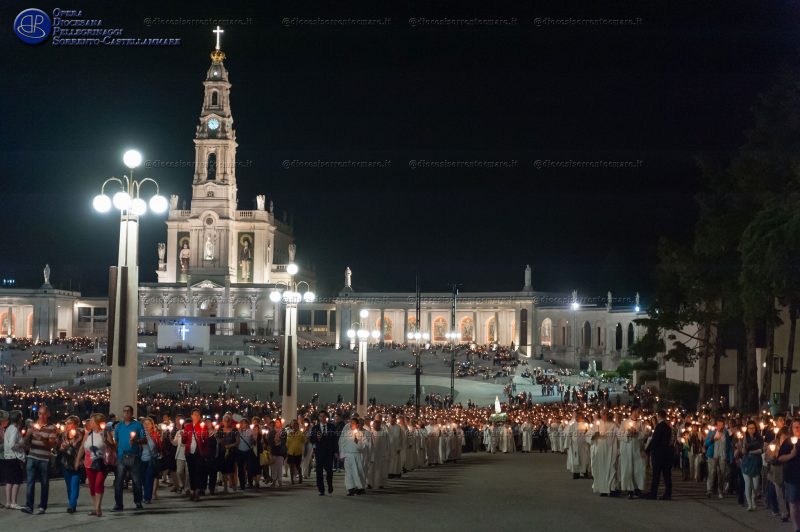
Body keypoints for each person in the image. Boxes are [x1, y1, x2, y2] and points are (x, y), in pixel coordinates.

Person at [22, 404, 57, 514]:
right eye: (40, 413)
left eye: (44, 414)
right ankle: (29, 506)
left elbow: (51, 445)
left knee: (44, 483)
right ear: (38, 414)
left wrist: (41, 438)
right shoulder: (33, 426)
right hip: (32, 456)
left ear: (48, 414)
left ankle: (42, 507)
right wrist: (28, 434)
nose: (42, 416)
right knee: (30, 482)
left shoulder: (52, 428)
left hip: (44, 459)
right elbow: (25, 442)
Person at [112, 405, 145, 512]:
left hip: (134, 456)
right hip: (121, 457)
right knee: (119, 481)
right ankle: (118, 504)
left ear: (132, 413)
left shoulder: (138, 425)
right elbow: (116, 441)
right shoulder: (119, 426)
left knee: (136, 481)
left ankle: (138, 502)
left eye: (128, 411)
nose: (126, 413)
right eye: (124, 411)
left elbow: (144, 439)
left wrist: (136, 441)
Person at [81, 413, 113, 517]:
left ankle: (98, 507)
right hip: (89, 463)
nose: (90, 423)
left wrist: (106, 441)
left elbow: (113, 447)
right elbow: (82, 448)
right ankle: (95, 507)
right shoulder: (88, 434)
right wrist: (77, 460)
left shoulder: (106, 433)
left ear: (97, 423)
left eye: (92, 421)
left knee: (98, 484)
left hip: (101, 463)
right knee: (92, 486)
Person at [181, 409, 211, 502]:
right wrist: (183, 435)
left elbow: (206, 440)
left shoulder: (203, 426)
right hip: (190, 453)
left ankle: (197, 491)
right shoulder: (188, 427)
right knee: (191, 472)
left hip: (199, 452)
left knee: (198, 472)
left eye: (198, 414)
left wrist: (203, 436)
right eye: (195, 414)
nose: (196, 416)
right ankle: (193, 490)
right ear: (191, 416)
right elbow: (184, 441)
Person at [775, 419, 800, 530]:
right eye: (795, 427)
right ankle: (796, 527)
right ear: (791, 429)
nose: (798, 429)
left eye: (799, 426)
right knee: (794, 503)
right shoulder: (788, 442)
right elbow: (780, 458)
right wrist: (791, 455)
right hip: (792, 477)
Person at [56, 415, 84, 513]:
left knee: (74, 484)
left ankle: (72, 505)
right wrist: (60, 447)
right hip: (66, 463)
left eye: (69, 423)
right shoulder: (62, 435)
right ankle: (72, 503)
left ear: (76, 424)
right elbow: (57, 447)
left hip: (77, 463)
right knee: (69, 486)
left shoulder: (81, 434)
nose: (67, 425)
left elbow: (82, 448)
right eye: (66, 423)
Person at [645, 409, 673, 500]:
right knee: (667, 475)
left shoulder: (659, 427)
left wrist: (647, 450)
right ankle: (668, 493)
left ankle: (653, 493)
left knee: (656, 475)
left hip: (658, 454)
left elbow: (655, 440)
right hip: (667, 454)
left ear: (658, 416)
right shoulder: (668, 427)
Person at [618, 408, 646, 498]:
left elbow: (643, 435)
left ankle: (638, 489)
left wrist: (637, 433)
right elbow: (619, 435)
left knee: (638, 469)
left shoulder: (640, 423)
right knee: (628, 469)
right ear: (633, 411)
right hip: (627, 449)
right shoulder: (624, 422)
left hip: (637, 449)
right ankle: (630, 490)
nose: (639, 414)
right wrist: (627, 433)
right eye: (638, 412)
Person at [309, 411, 338, 495]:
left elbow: (335, 440)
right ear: (318, 417)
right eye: (320, 416)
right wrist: (317, 438)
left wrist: (336, 451)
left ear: (326, 417)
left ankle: (330, 485)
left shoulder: (332, 427)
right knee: (319, 471)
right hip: (319, 452)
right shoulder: (315, 428)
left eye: (324, 416)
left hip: (329, 453)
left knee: (329, 470)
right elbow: (311, 439)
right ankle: (321, 489)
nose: (322, 418)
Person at [3, 410, 25, 510]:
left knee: (9, 481)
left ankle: (8, 502)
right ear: (18, 418)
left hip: (8, 457)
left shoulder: (8, 428)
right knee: (16, 481)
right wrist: (21, 444)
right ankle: (14, 502)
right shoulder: (14, 429)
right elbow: (12, 444)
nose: (22, 419)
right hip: (15, 457)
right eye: (21, 417)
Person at [339, 417, 366, 495]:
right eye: (351, 423)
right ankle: (350, 488)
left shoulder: (360, 434)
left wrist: (358, 442)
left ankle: (360, 488)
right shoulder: (346, 433)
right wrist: (342, 455)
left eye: (353, 423)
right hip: (348, 455)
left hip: (357, 455)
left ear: (357, 425)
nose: (351, 424)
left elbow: (364, 446)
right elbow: (341, 444)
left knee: (358, 471)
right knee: (349, 472)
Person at [705, 418, 730, 499]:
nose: (720, 426)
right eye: (718, 425)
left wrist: (729, 456)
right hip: (713, 455)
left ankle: (720, 491)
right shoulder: (712, 432)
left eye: (722, 425)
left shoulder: (726, 433)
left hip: (722, 455)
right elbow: (706, 443)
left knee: (721, 473)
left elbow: (728, 445)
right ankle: (709, 490)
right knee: (712, 472)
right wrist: (712, 439)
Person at [141, 417, 162, 504]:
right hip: (141, 459)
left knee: (149, 478)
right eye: (144, 423)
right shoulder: (140, 433)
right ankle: (145, 494)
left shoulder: (155, 434)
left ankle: (147, 497)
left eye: (148, 424)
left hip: (151, 459)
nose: (146, 425)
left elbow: (158, 446)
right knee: (142, 479)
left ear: (152, 425)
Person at [267, 418, 287, 488]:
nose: (277, 423)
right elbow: (269, 442)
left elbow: (284, 441)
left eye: (278, 422)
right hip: (273, 451)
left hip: (280, 451)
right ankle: (274, 481)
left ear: (281, 423)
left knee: (279, 467)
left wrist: (279, 441)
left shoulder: (283, 432)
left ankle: (280, 481)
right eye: (276, 422)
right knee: (273, 468)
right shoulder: (271, 432)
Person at [286, 419, 306, 484]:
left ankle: (300, 477)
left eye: (296, 425)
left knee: (297, 466)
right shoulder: (289, 433)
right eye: (293, 425)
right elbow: (287, 442)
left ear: (298, 426)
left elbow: (304, 440)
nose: (294, 426)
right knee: (291, 466)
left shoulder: (300, 433)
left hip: (298, 452)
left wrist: (304, 433)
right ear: (292, 426)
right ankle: (292, 479)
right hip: (290, 452)